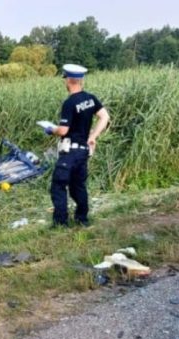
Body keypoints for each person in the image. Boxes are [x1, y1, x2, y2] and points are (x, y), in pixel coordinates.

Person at [44, 64, 110, 227]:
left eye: (65, 79)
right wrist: (93, 137)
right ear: (80, 80)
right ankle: (82, 219)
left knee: (58, 185)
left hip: (69, 153)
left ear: (69, 80)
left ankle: (61, 223)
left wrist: (51, 129)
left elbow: (63, 130)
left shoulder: (69, 103)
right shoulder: (90, 98)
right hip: (83, 152)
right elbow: (105, 117)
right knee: (78, 186)